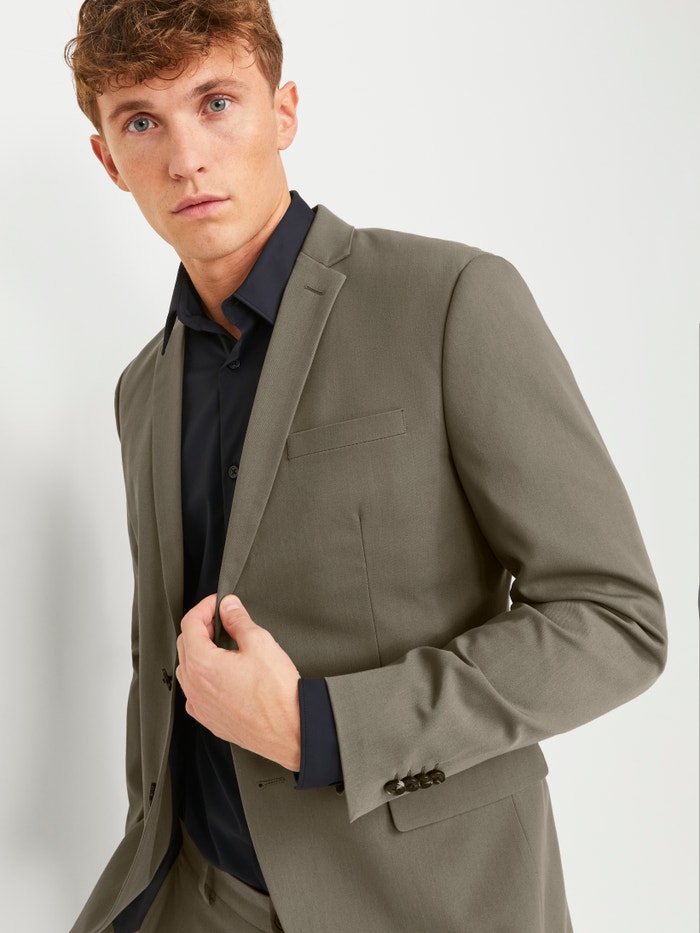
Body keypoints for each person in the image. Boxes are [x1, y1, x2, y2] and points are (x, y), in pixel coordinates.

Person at [65, 1, 667, 931]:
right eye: (142, 121)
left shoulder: (449, 299)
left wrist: (323, 726)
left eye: (216, 103)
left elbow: (615, 619)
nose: (185, 158)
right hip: (196, 892)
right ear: (109, 159)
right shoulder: (141, 389)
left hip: (417, 900)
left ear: (284, 112)